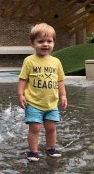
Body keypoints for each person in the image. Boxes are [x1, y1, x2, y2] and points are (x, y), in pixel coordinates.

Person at [18, 23, 67, 161]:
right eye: (40, 41)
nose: (45, 44)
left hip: (51, 104)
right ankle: (33, 151)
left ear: (54, 43)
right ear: (32, 43)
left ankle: (51, 148)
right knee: (35, 128)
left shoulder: (56, 62)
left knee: (51, 128)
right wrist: (20, 94)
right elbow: (23, 79)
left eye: (49, 41)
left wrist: (63, 95)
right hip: (33, 102)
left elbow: (60, 80)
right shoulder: (29, 61)